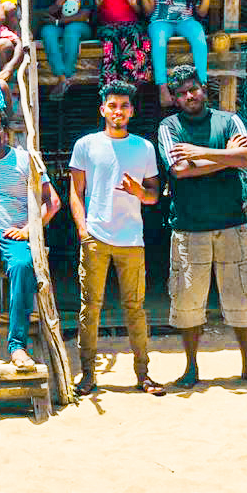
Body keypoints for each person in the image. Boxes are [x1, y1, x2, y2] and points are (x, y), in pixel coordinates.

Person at [156, 66, 247, 388]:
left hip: (232, 223)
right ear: (175, 99)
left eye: (193, 89)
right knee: (188, 302)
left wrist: (201, 153)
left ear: (203, 88)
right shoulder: (170, 126)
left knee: (243, 299)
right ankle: (191, 367)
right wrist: (227, 156)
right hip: (189, 227)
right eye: (181, 93)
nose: (189, 96)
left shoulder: (228, 120)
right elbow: (179, 170)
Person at [69, 81, 164, 396]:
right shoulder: (86, 145)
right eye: (112, 105)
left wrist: (140, 192)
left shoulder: (144, 148)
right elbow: (75, 192)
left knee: (135, 308)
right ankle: (87, 375)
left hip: (131, 239)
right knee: (90, 307)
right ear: (102, 110)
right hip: (96, 235)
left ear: (132, 111)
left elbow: (153, 195)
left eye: (124, 106)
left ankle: (143, 374)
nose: (118, 111)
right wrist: (83, 230)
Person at [0, 106, 62, 369]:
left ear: (6, 131)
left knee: (23, 266)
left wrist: (29, 228)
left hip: (16, 233)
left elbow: (52, 203)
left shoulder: (25, 160)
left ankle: (17, 345)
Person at [135, 0, 219, 108]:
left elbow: (201, 13)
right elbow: (148, 11)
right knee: (158, 41)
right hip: (160, 21)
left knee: (199, 36)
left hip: (185, 21)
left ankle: (202, 85)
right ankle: (163, 88)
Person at [36, 0, 94, 100]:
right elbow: (40, 14)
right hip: (55, 27)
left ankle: (65, 75)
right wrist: (57, 5)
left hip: (79, 26)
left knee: (72, 30)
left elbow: (85, 14)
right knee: (47, 32)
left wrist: (58, 20)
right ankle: (63, 79)